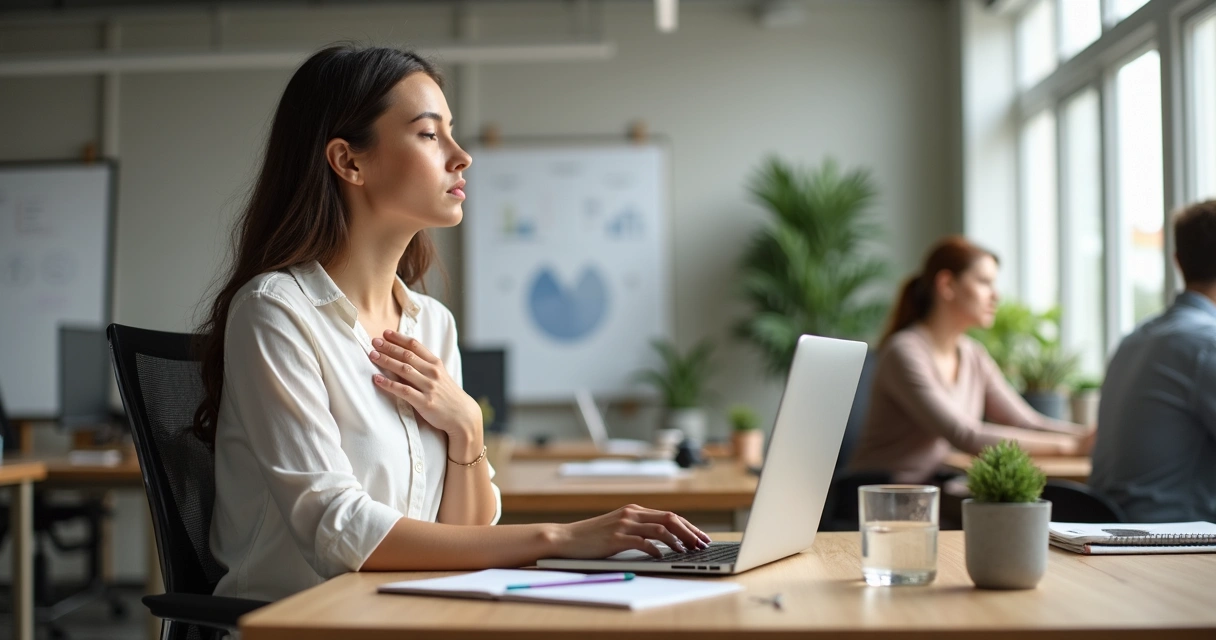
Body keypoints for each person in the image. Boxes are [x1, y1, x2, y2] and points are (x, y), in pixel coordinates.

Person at [195, 45, 710, 601]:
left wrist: (467, 429)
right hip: (304, 625)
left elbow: (464, 540)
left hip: (411, 615)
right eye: (428, 134)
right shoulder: (275, 312)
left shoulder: (431, 324)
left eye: (452, 134)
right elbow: (336, 528)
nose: (460, 156)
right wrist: (561, 537)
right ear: (349, 161)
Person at [848, 236, 1093, 484]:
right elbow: (965, 435)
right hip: (882, 501)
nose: (995, 296)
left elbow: (1026, 422)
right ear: (947, 285)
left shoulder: (973, 354)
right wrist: (1072, 447)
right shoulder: (904, 351)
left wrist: (1087, 436)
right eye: (984, 282)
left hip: (933, 497)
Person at [1090, 201, 1216, 523]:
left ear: (1177, 261)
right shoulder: (1206, 343)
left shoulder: (1133, 340)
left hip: (1116, 539)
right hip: (1175, 549)